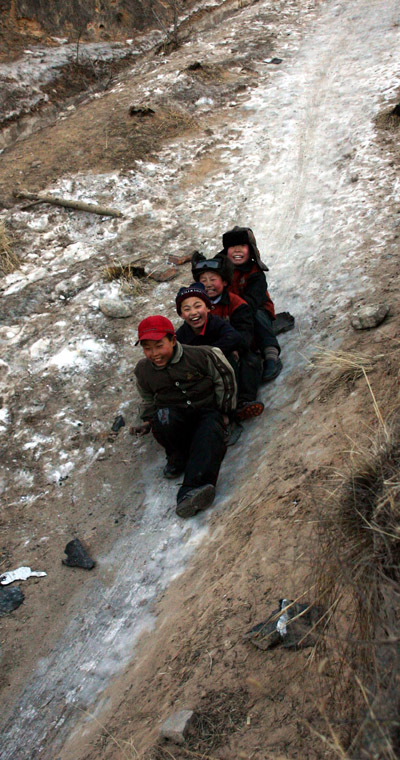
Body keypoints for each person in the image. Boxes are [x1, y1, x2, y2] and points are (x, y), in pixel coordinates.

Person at [132, 315, 237, 518]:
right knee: (162, 418)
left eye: (159, 346)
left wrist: (225, 412)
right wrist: (147, 420)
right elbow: (147, 398)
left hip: (206, 411)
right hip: (175, 416)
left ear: (173, 340)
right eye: (147, 348)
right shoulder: (143, 370)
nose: (154, 354)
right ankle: (177, 457)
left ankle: (192, 490)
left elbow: (225, 380)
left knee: (208, 434)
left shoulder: (202, 355)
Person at [190, 254, 264, 421]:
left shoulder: (236, 303)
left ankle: (242, 402)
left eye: (213, 279)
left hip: (233, 350)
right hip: (204, 356)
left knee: (250, 362)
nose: (208, 284)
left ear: (224, 282)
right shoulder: (194, 307)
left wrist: (233, 348)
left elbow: (244, 332)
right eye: (203, 280)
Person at [220, 225, 282, 382]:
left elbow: (253, 301)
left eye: (242, 246)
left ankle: (271, 354)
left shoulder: (255, 273)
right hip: (229, 315)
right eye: (232, 246)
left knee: (257, 315)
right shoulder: (219, 271)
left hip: (253, 312)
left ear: (251, 249)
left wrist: (236, 313)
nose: (237, 251)